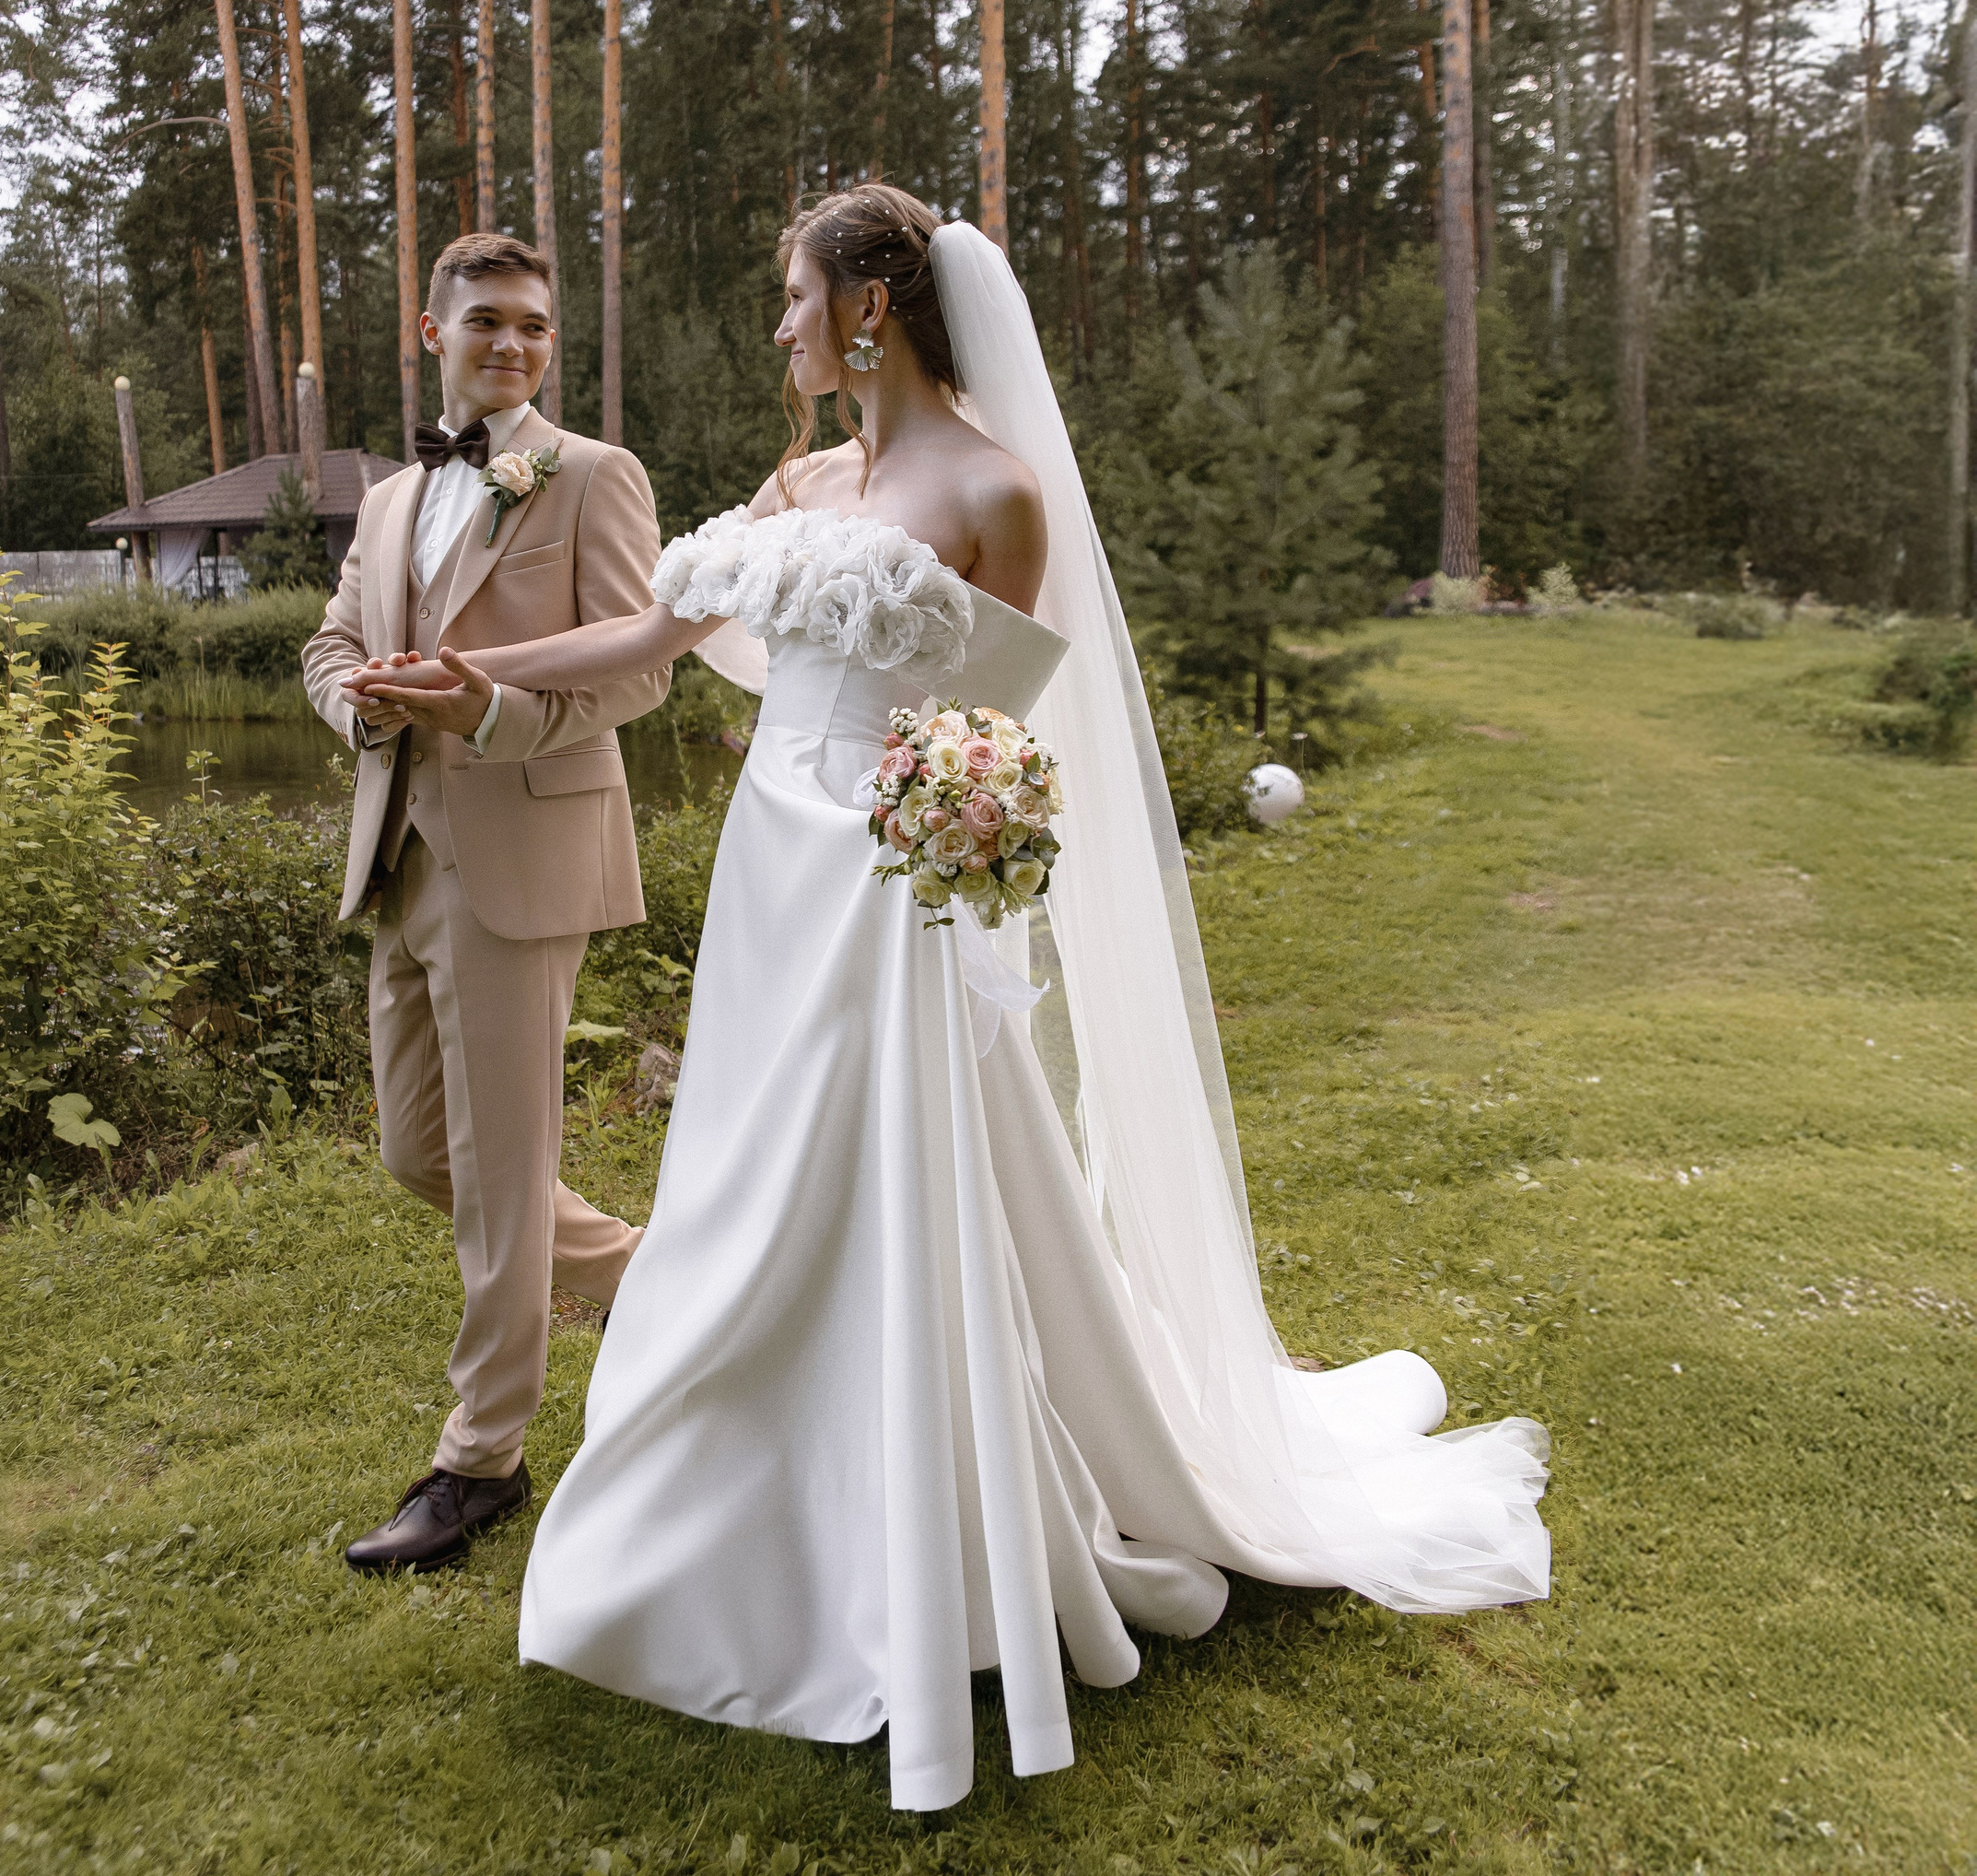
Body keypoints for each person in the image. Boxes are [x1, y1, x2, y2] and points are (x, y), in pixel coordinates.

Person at [370, 187, 1552, 1812]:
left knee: (872, 1194)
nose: (779, 327)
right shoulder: (807, 479)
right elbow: (651, 626)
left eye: (795, 298)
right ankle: (723, 1512)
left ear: (868, 306)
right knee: (743, 1186)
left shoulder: (999, 489)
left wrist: (954, 834)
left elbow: (1003, 729)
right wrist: (479, 679)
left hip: (882, 891)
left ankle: (919, 1523)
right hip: (770, 889)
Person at [302, 230, 669, 1577]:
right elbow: (331, 641)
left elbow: (640, 670)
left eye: (533, 325)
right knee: (420, 1152)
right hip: (398, 854)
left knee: (504, 1180)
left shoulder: (593, 475)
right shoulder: (391, 499)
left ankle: (482, 1461)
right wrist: (356, 705)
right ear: (432, 332)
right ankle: (654, 1278)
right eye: (486, 322)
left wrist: (493, 713)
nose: (512, 344)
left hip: (522, 852)